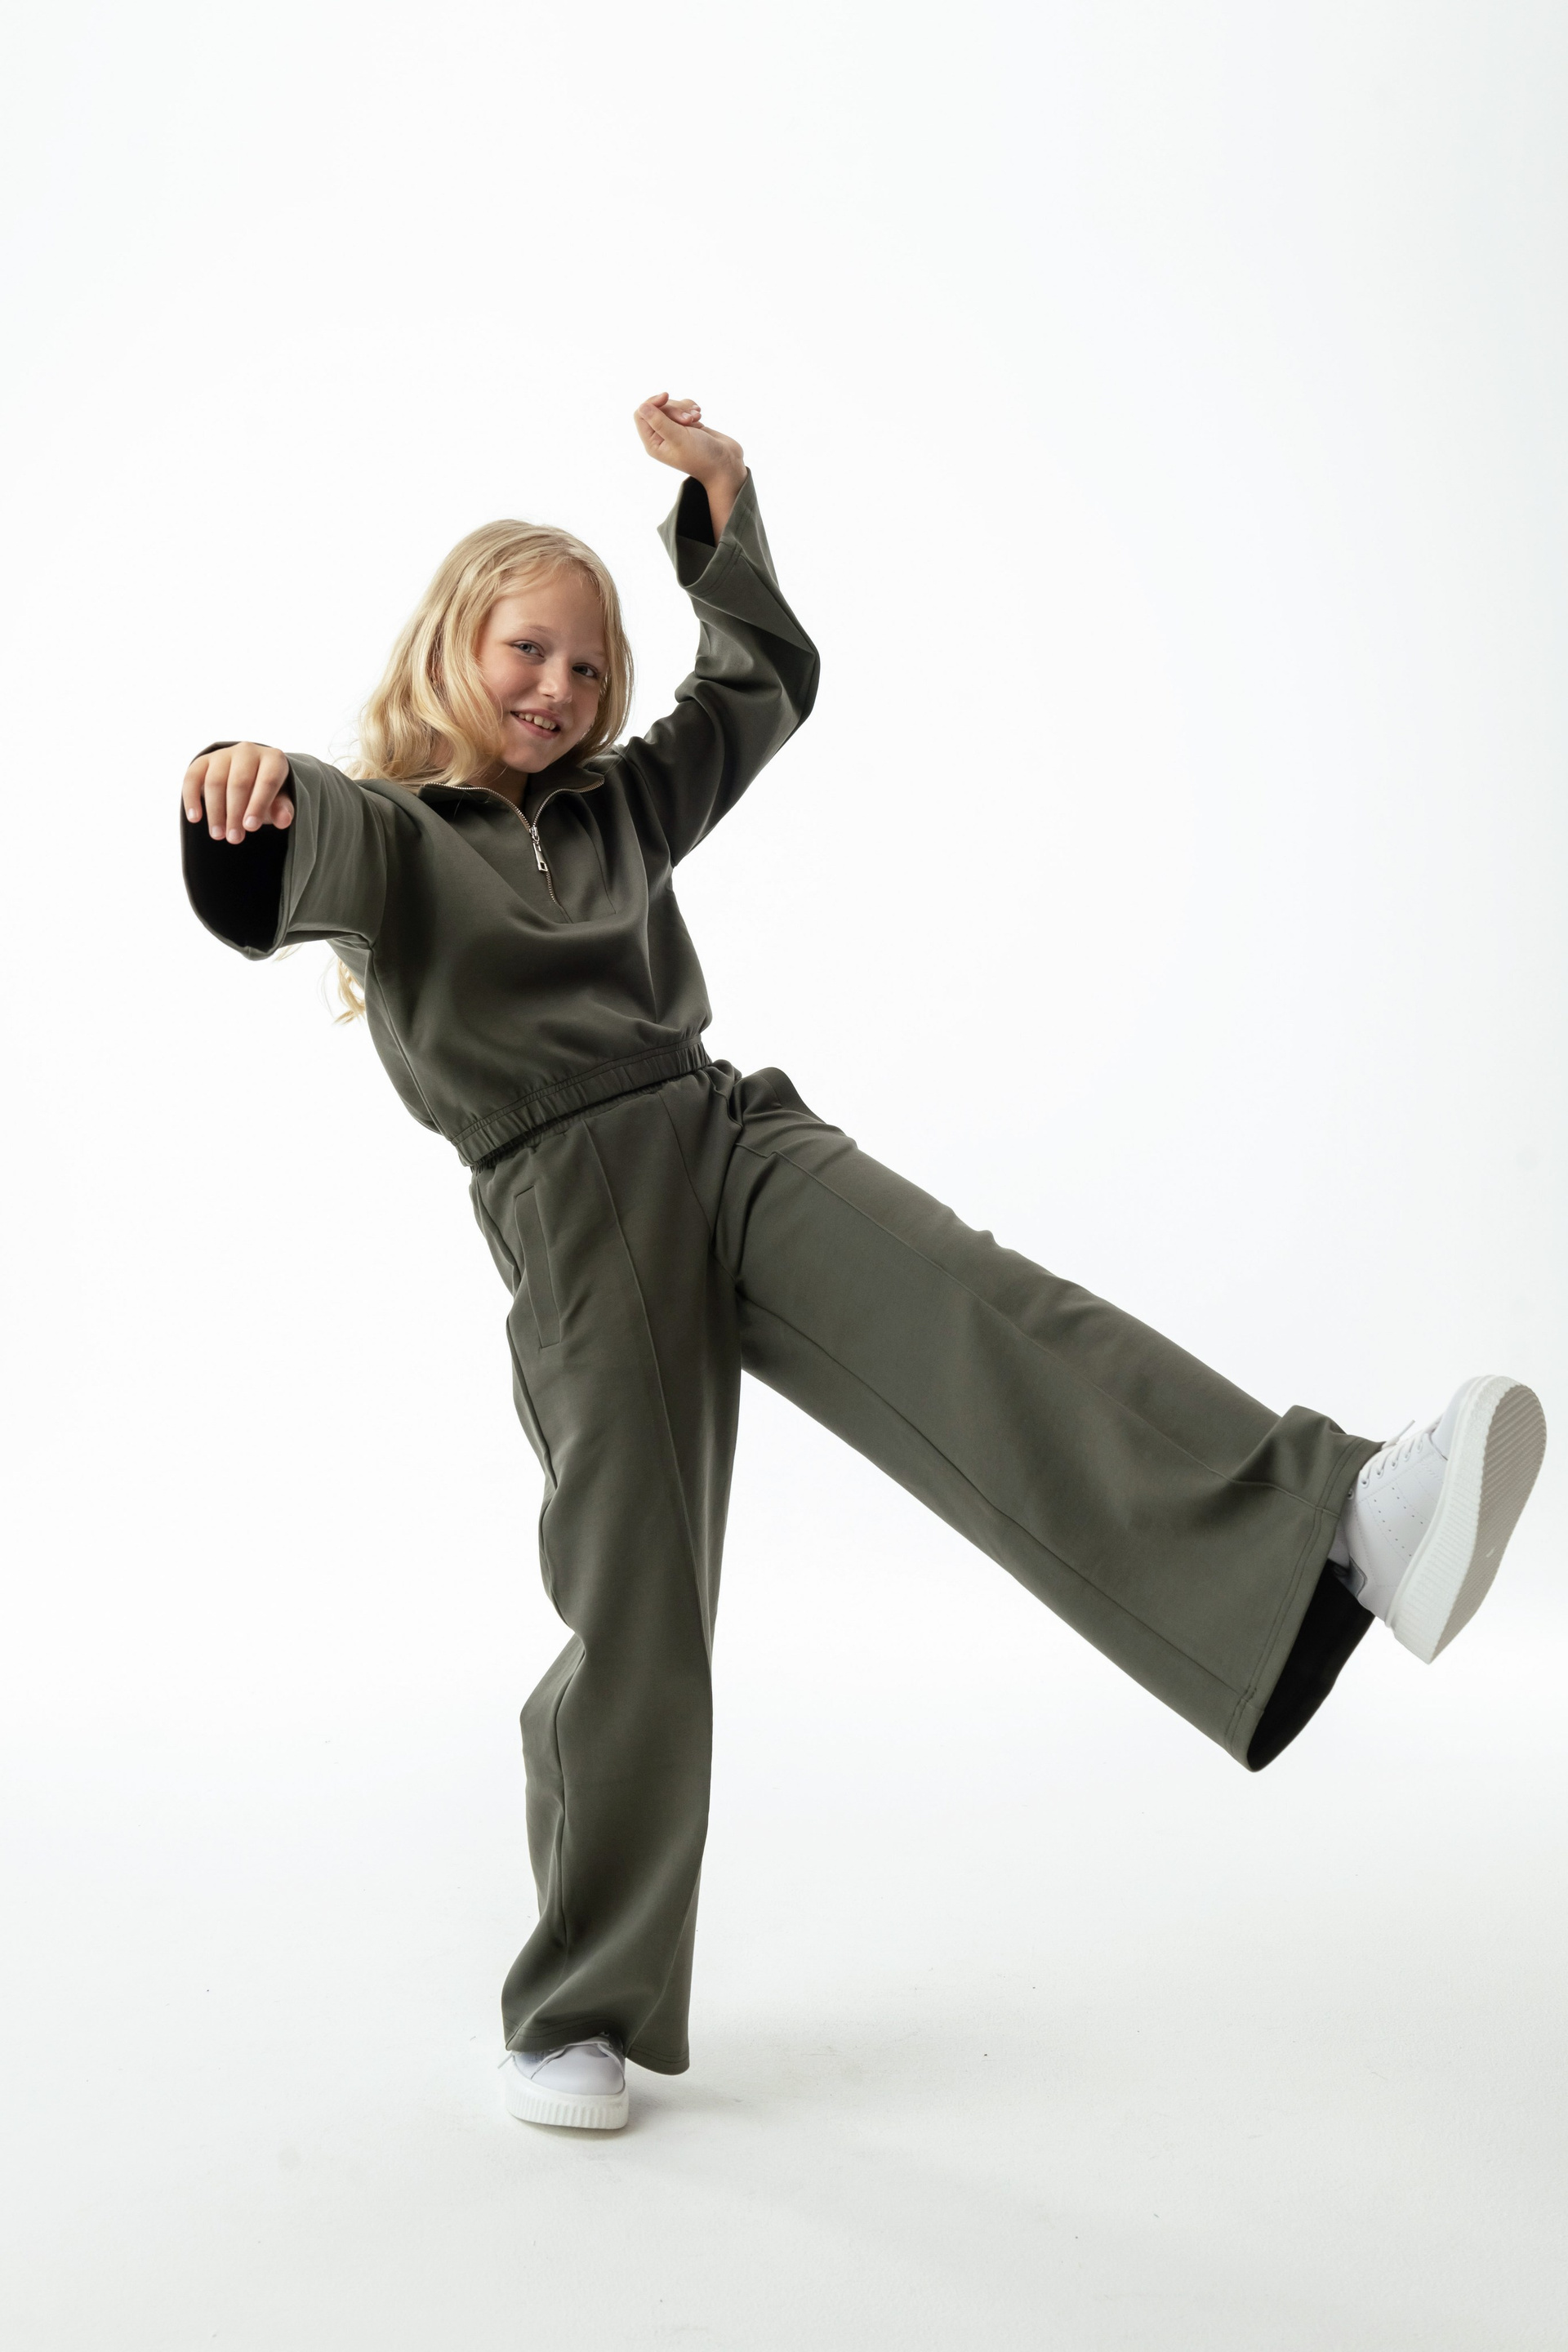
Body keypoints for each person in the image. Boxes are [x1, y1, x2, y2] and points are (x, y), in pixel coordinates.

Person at [181, 393, 1548, 2135]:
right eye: (531, 651)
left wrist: (721, 512)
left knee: (980, 1310)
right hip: (575, 1209)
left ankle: (1338, 1527)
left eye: (590, 667)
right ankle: (575, 2012)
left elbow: (758, 688)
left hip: (721, 1130)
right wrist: (245, 786)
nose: (562, 690)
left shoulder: (618, 812)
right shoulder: (399, 837)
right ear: (458, 641)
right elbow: (296, 847)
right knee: (640, 1608)